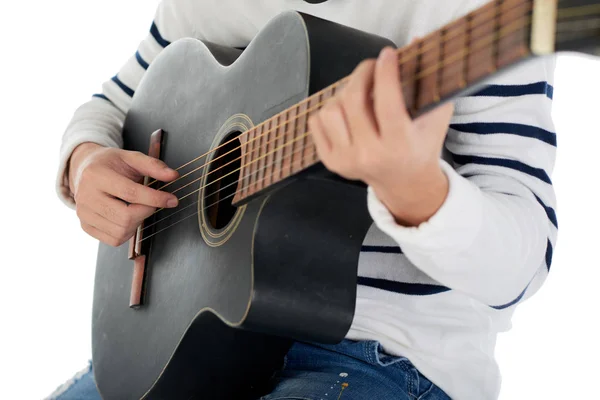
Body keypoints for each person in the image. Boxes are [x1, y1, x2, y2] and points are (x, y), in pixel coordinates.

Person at [49, 0, 558, 399]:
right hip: (184, 345)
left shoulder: (471, 9)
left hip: (385, 356)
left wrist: (414, 188)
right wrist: (85, 162)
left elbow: (523, 263)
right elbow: (116, 103)